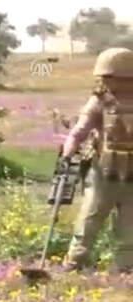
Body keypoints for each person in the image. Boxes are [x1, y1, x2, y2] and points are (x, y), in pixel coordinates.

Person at [62, 47, 133, 274]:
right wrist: (67, 155)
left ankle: (125, 272)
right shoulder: (99, 101)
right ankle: (73, 265)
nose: (105, 81)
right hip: (104, 174)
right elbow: (78, 132)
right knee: (88, 222)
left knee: (129, 229)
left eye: (109, 77)